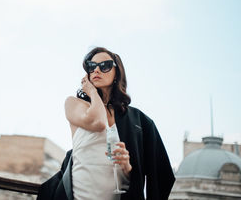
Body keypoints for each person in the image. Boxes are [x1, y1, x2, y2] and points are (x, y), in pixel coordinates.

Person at [37, 47, 175, 200]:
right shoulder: (74, 104)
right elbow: (98, 121)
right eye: (91, 66)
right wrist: (92, 91)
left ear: (117, 73)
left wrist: (127, 166)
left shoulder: (139, 121)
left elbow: (160, 174)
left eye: (105, 66)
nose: (97, 70)